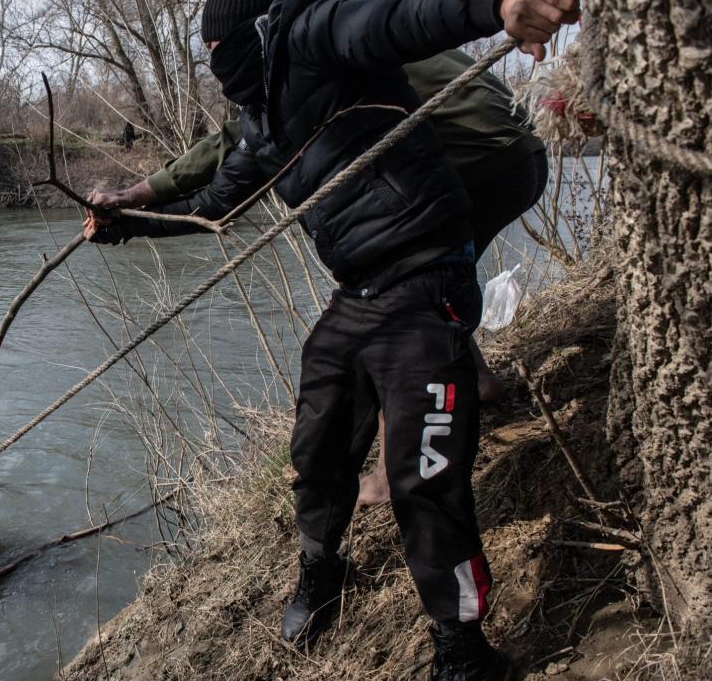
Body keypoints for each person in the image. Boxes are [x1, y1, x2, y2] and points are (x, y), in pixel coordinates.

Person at [83, 0, 577, 681]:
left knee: (421, 476)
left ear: (252, 31)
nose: (215, 65)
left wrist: (498, 1)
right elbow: (216, 200)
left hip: (425, 278)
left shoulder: (318, 36)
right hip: (360, 293)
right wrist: (127, 224)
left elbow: (402, 18)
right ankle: (323, 570)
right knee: (316, 447)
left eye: (219, 51)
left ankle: (466, 658)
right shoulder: (265, 114)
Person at [89, 47, 548, 508]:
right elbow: (228, 172)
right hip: (522, 153)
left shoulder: (306, 54)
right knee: (428, 285)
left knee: (395, 296)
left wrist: (134, 196)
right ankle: (476, 379)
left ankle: (391, 473)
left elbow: (230, 145)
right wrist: (132, 212)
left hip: (479, 155)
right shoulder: (327, 34)